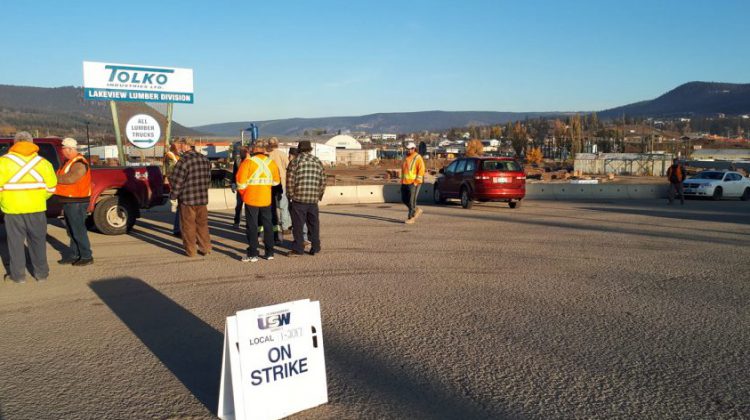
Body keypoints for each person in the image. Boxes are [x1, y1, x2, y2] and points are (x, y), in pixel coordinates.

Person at [0, 132, 57, 283]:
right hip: (37, 209)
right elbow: (51, 188)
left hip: (12, 210)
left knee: (15, 244)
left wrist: (4, 201)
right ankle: (41, 274)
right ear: (32, 142)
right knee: (38, 242)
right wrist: (38, 198)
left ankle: (18, 277)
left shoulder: (3, 162)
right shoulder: (44, 163)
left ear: (15, 143)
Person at [236, 140, 280, 262]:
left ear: (254, 149)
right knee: (268, 225)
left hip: (251, 199)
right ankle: (270, 252)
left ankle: (253, 254)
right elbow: (276, 182)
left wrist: (245, 195)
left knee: (252, 226)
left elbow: (240, 184)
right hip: (266, 199)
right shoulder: (271, 163)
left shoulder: (247, 162)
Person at [169, 138, 212, 257]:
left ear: (185, 145)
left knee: (188, 226)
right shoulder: (205, 159)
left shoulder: (183, 161)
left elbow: (177, 181)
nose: (179, 147)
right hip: (202, 198)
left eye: (181, 144)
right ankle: (206, 248)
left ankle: (191, 251)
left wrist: (173, 195)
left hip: (187, 199)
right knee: (202, 224)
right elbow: (208, 179)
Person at [55, 138, 94, 266]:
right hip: (70, 200)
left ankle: (86, 256)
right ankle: (75, 255)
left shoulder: (79, 163)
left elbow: (71, 178)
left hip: (76, 201)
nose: (62, 151)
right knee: (72, 230)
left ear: (70, 149)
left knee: (78, 229)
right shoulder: (70, 162)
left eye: (64, 148)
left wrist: (52, 177)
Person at [286, 140, 326, 256]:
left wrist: (290, 195)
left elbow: (290, 181)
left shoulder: (295, 161)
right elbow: (323, 180)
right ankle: (316, 247)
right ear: (310, 149)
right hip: (313, 200)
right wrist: (319, 195)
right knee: (313, 224)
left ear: (299, 149)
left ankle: (298, 249)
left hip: (299, 199)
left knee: (298, 225)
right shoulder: (317, 161)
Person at [266, 137, 291, 238]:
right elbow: (288, 168)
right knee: (283, 207)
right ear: (277, 143)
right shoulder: (282, 154)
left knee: (272, 208)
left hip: (269, 185)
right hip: (282, 183)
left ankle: (274, 227)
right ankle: (285, 227)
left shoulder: (267, 155)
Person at [401, 141, 425, 224]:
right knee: (404, 199)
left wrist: (416, 182)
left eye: (409, 149)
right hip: (405, 182)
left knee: (412, 201)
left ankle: (411, 218)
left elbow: (421, 170)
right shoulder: (405, 157)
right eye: (407, 149)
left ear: (414, 149)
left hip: (414, 182)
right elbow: (404, 170)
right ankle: (416, 209)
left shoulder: (417, 157)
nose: (408, 150)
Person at [165, 141, 182, 237]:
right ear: (173, 146)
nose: (180, 147)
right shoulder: (170, 156)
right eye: (178, 145)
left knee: (181, 207)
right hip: (177, 183)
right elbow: (171, 172)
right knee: (181, 208)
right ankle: (177, 229)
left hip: (180, 183)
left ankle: (178, 229)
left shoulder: (177, 155)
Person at [231, 143, 248, 229]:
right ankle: (237, 221)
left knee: (248, 207)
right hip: (240, 187)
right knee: (238, 206)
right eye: (240, 151)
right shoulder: (237, 161)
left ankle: (249, 223)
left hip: (249, 188)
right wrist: (233, 183)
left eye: (242, 151)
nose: (240, 153)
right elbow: (234, 173)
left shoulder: (250, 161)